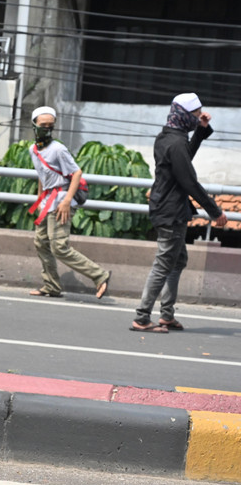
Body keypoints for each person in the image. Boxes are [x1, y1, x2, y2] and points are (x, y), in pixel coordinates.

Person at [131, 93, 227, 333]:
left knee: (178, 260)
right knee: (164, 264)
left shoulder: (169, 137)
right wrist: (215, 212)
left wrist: (201, 130)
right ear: (184, 115)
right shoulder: (175, 142)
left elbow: (184, 160)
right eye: (196, 115)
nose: (199, 117)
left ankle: (166, 315)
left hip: (168, 206)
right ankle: (142, 317)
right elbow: (189, 181)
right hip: (171, 210)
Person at [27, 106, 111, 299]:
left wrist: (66, 201)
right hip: (47, 202)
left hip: (61, 202)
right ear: (34, 125)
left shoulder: (58, 149)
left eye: (50, 125)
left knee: (59, 247)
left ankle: (99, 275)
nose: (46, 129)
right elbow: (41, 175)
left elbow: (76, 173)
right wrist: (39, 199)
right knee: (41, 243)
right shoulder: (34, 150)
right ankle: (51, 286)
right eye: (43, 125)